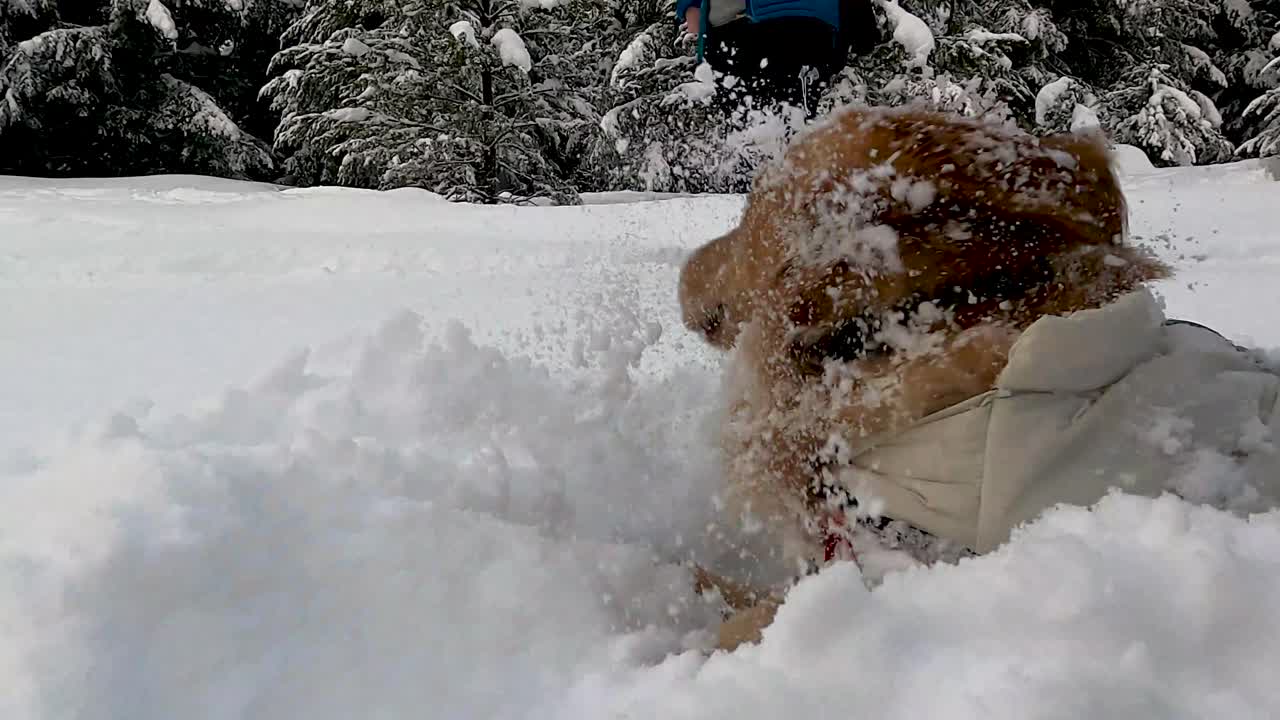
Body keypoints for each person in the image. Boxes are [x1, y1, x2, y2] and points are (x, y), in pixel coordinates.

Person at [675, 0, 878, 120]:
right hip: (805, 24)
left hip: (736, 24)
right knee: (792, 122)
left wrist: (691, 7)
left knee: (747, 125)